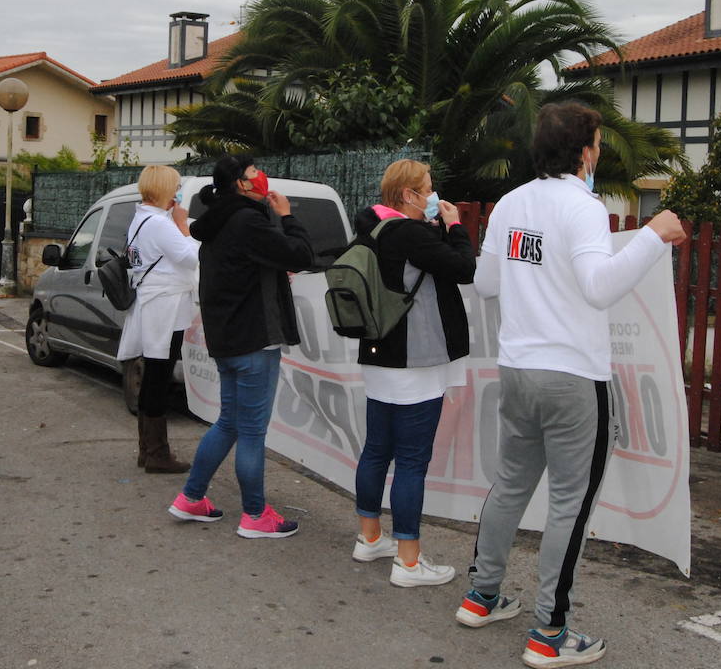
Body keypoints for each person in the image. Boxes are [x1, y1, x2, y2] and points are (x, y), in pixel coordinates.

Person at [456, 102, 685, 669]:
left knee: (510, 484)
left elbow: (485, 283)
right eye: (599, 144)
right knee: (569, 505)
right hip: (573, 377)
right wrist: (654, 236)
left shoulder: (511, 203)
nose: (600, 152)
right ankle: (549, 633)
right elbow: (599, 288)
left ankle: (481, 596)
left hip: (518, 369)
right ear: (585, 151)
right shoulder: (582, 208)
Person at [168, 155, 314, 539]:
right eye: (252, 173)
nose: (260, 177)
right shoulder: (248, 220)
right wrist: (285, 216)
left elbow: (248, 267)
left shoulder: (218, 221)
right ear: (240, 184)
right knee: (251, 431)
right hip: (253, 340)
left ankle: (191, 497)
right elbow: (301, 254)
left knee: (229, 422)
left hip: (228, 339)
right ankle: (254, 515)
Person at [349, 159, 475, 587]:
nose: (433, 193)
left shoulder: (374, 228)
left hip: (379, 355)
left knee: (376, 451)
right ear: (408, 195)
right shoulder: (410, 232)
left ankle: (370, 537)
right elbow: (463, 268)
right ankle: (408, 561)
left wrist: (438, 228)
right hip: (415, 361)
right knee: (411, 463)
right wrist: (455, 226)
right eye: (427, 188)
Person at [117, 165, 198, 473]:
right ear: (165, 188)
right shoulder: (161, 224)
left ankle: (148, 450)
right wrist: (183, 227)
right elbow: (191, 258)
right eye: (176, 185)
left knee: (153, 375)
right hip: (165, 308)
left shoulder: (141, 219)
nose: (178, 190)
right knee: (158, 377)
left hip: (153, 305)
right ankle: (156, 453)